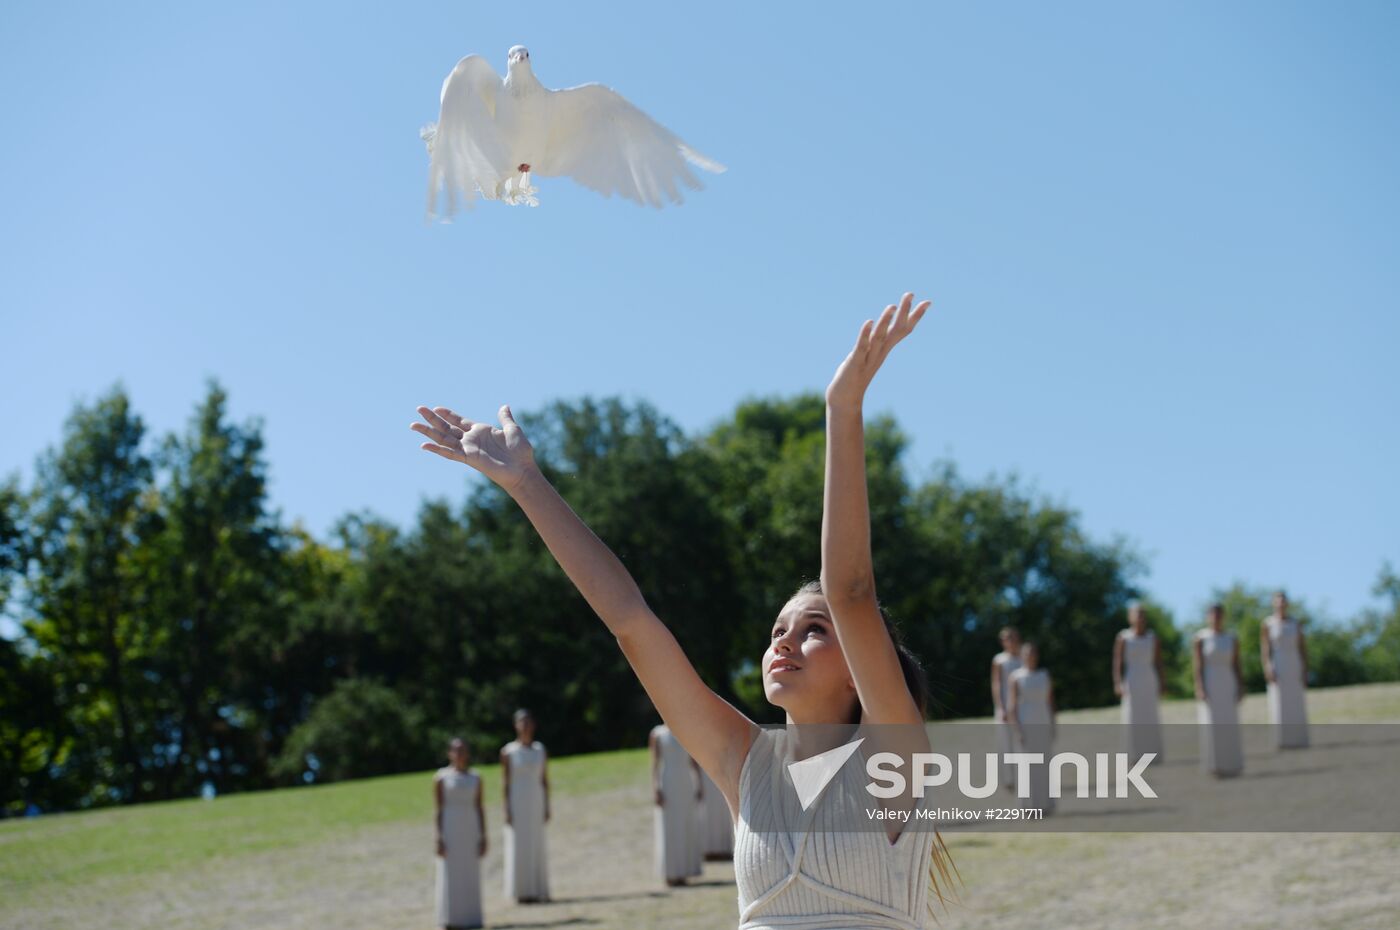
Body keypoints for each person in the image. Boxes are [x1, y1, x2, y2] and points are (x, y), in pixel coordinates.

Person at [411, 292, 954, 929]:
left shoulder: (892, 758)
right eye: (778, 628)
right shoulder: (744, 762)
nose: (782, 641)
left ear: (861, 664)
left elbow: (852, 592)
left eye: (813, 631)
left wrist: (842, 408)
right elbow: (631, 622)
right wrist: (527, 484)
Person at [434, 738, 485, 930]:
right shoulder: (441, 778)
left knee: (469, 871)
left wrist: (483, 835)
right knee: (450, 871)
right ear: (449, 754)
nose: (460, 754)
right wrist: (439, 836)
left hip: (470, 827)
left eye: (463, 750)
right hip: (450, 827)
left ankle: (471, 917)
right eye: (456, 751)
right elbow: (438, 808)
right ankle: (450, 917)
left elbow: (480, 807)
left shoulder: (476, 778)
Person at [501, 709, 550, 903]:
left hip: (536, 800)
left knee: (537, 843)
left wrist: (547, 805)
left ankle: (537, 888)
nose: (526, 726)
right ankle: (521, 891)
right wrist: (506, 809)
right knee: (519, 845)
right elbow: (505, 782)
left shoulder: (540, 749)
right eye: (522, 722)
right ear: (516, 725)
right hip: (517, 801)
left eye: (529, 721)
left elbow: (544, 779)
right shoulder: (508, 751)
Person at [1193, 604, 1243, 777]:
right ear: (1208, 616)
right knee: (1211, 722)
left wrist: (1240, 686)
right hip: (1210, 681)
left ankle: (1231, 763)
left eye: (1219, 614)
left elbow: (1236, 664)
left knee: (1229, 721)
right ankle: (1213, 764)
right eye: (1213, 614)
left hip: (1227, 681)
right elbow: (1198, 665)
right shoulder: (1201, 638)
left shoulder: (1231, 638)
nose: (1216, 618)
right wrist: (1200, 687)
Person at [651, 723, 703, 885]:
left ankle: (684, 871)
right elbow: (655, 763)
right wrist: (656, 788)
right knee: (670, 827)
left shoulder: (686, 729)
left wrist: (699, 784)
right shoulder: (657, 734)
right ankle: (670, 873)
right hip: (668, 782)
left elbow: (694, 761)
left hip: (685, 783)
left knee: (686, 825)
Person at [1007, 642, 1055, 815]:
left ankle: (1046, 804)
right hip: (1025, 722)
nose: (1031, 657)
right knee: (1027, 765)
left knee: (1044, 763)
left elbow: (1050, 701)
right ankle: (1028, 806)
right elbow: (1012, 706)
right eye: (1027, 654)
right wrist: (1017, 729)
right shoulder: (1016, 677)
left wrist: (1052, 725)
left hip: (1042, 720)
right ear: (1022, 656)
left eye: (1033, 653)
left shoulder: (1044, 675)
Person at [1113, 601, 1164, 763]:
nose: (1140, 618)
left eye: (1143, 614)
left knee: (1150, 715)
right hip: (1132, 679)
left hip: (1149, 678)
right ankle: (1133, 754)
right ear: (1130, 617)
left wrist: (1162, 682)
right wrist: (1118, 682)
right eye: (1137, 614)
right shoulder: (1123, 637)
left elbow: (1158, 662)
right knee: (1132, 716)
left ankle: (1151, 753)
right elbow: (1118, 662)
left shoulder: (1152, 637)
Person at [1261, 591, 1309, 749]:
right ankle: (1282, 740)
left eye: (1283, 601)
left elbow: (1302, 647)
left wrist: (1304, 668)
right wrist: (1268, 666)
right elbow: (1266, 648)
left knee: (1295, 700)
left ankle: (1298, 738)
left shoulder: (1296, 623)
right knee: (1279, 701)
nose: (1281, 605)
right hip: (1278, 663)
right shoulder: (1268, 623)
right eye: (1278, 601)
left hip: (1293, 662)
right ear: (1274, 604)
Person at [989, 626, 1023, 790]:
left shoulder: (1024, 658)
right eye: (1006, 638)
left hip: (1022, 707)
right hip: (1005, 705)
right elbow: (996, 683)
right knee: (1006, 742)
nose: (1010, 641)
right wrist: (1001, 706)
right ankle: (1009, 778)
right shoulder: (999, 660)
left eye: (1012, 637)